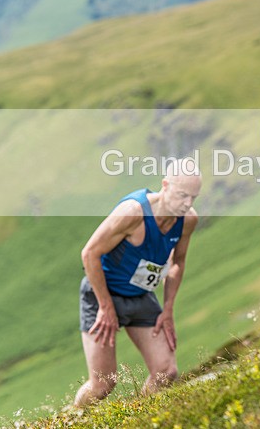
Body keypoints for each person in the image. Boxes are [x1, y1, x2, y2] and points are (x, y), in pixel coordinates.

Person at [73, 160, 201, 406]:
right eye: (183, 195)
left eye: (194, 197)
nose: (188, 203)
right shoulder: (133, 212)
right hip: (103, 294)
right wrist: (106, 307)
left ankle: (138, 416)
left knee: (166, 371)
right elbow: (89, 253)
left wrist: (169, 309)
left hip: (141, 295)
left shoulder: (187, 220)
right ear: (165, 185)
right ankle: (72, 417)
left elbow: (178, 263)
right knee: (103, 384)